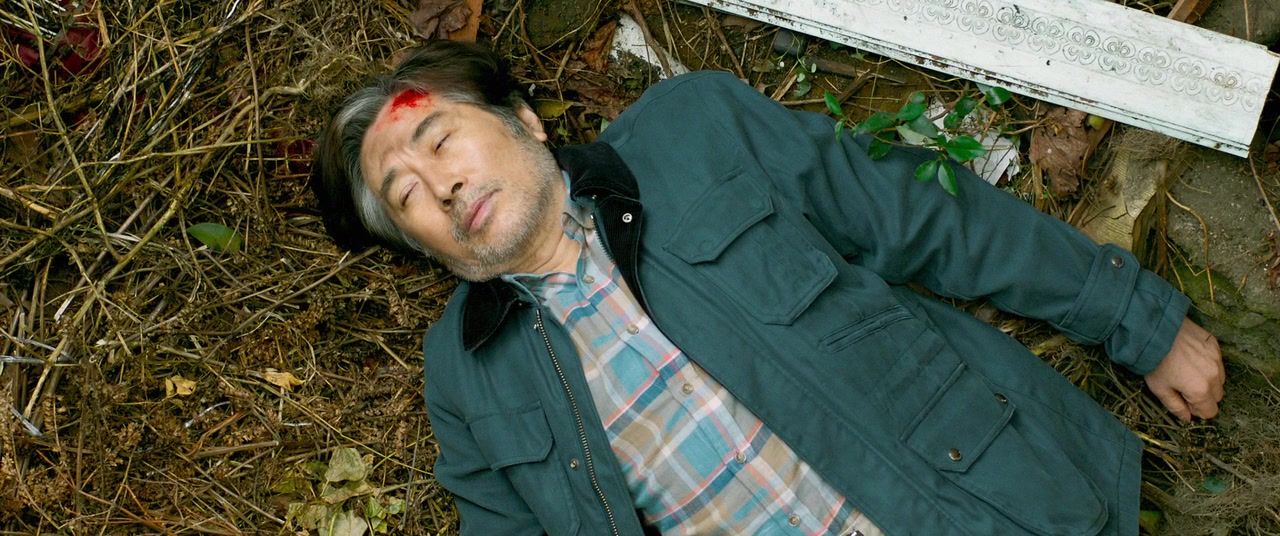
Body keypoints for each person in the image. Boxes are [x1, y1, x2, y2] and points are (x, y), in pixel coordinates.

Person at [311, 40, 1225, 536]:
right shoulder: (463, 372)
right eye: (406, 195)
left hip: (985, 511)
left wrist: (1135, 318)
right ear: (421, 244)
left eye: (439, 140)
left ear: (523, 119)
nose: (440, 186)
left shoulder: (694, 133)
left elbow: (922, 218)